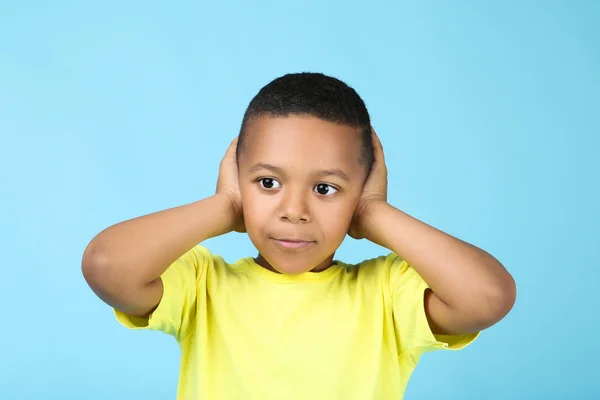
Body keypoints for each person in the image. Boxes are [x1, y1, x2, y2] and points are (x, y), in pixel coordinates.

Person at [82, 72, 516, 399]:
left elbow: (487, 297)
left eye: (326, 189)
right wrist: (223, 206)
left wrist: (374, 213)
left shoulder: (387, 293)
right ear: (237, 176)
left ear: (362, 188)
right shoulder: (203, 285)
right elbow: (107, 266)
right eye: (268, 183)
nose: (294, 212)